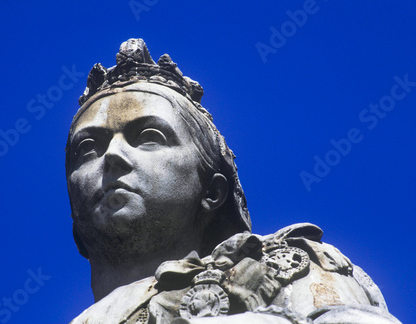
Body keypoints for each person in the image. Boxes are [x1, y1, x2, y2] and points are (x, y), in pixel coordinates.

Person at [66, 39, 400, 324]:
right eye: (87, 148)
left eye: (149, 136)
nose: (112, 156)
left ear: (212, 191)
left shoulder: (287, 266)